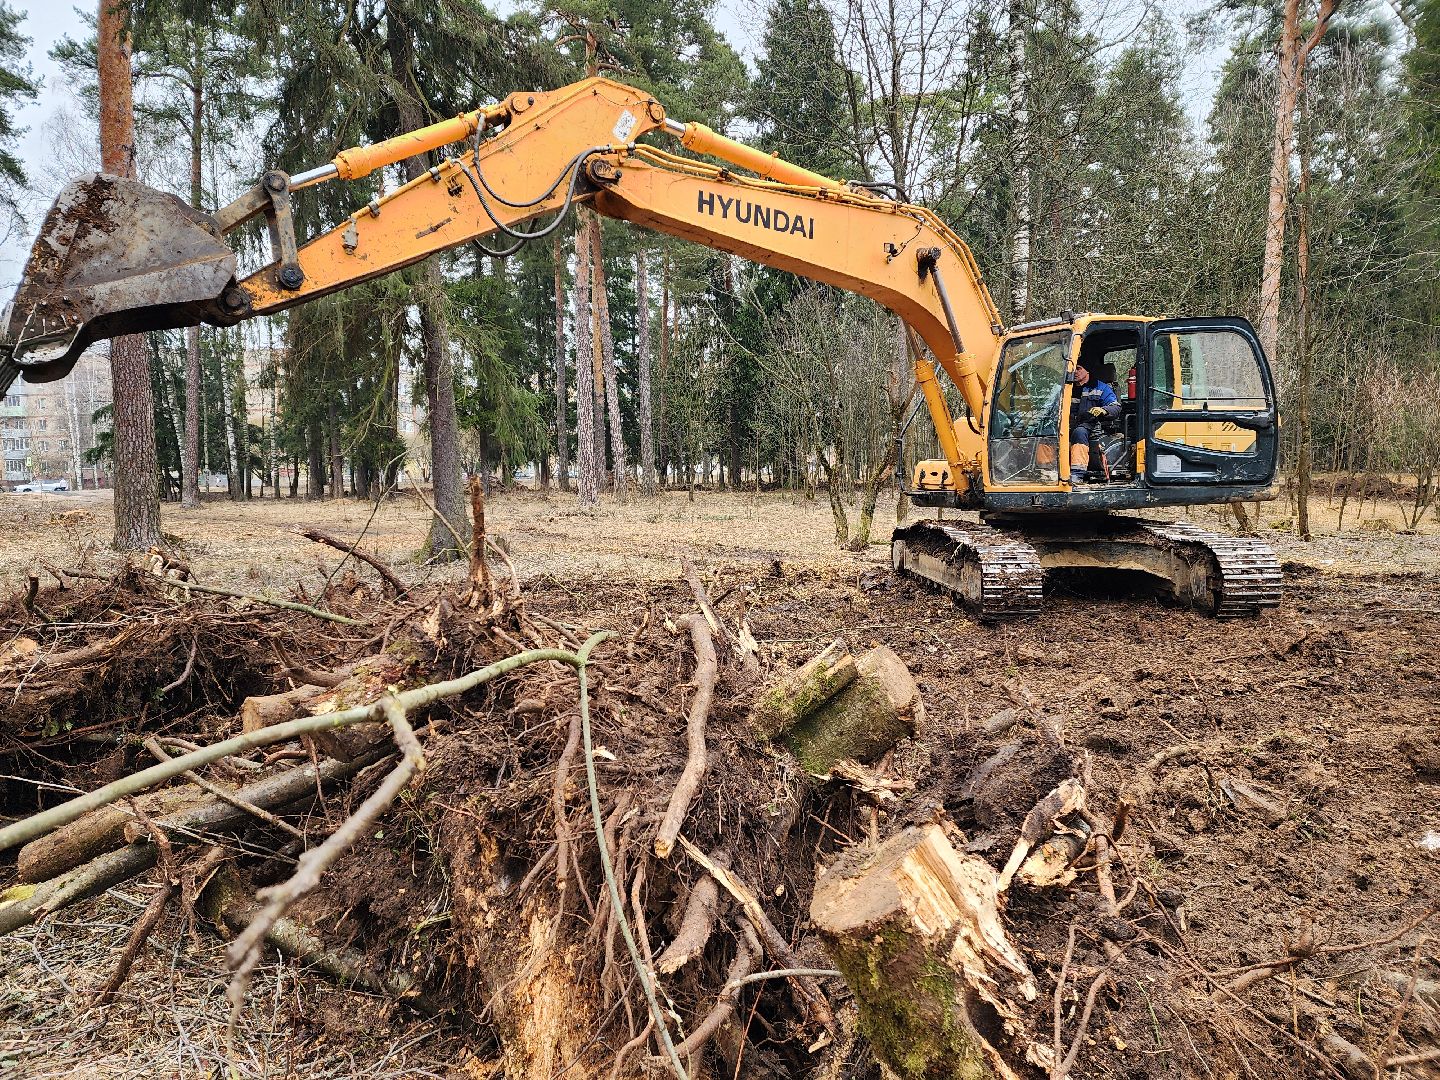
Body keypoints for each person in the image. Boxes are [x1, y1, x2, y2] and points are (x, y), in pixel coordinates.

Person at [1069, 364, 1120, 485]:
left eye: (1079, 368)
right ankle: (1046, 470)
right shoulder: (1067, 388)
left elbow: (1116, 407)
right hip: (1068, 424)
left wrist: (1104, 410)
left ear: (1088, 371)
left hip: (1091, 425)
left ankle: (1077, 474)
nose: (1075, 371)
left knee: (1079, 432)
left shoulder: (1101, 388)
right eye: (1073, 368)